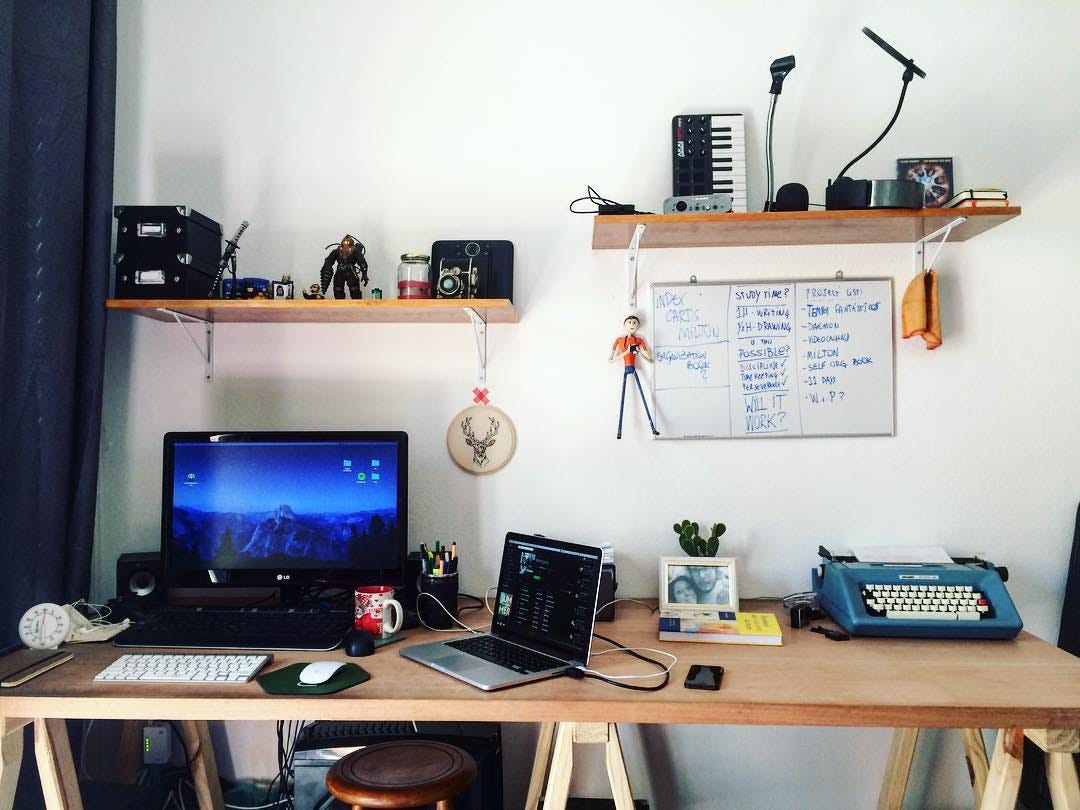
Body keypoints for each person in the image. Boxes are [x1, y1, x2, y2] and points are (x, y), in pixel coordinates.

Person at [609, 314, 660, 439]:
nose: (632, 325)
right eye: (630, 322)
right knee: (622, 401)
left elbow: (651, 360)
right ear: (625, 325)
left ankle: (652, 428)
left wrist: (639, 354)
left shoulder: (639, 341)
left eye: (634, 323)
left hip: (634, 368)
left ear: (638, 326)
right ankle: (619, 430)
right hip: (626, 367)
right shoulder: (619, 340)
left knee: (643, 397)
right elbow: (611, 360)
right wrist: (626, 352)